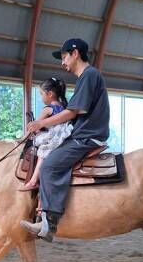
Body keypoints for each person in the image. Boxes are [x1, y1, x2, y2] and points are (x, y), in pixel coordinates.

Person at [20, 38, 110, 242]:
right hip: (83, 133)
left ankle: (48, 222)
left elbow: (72, 112)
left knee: (49, 166)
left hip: (86, 136)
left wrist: (41, 124)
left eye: (64, 57)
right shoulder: (87, 77)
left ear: (75, 53)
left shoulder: (89, 75)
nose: (63, 62)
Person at [18, 77, 71, 191]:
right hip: (64, 137)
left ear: (50, 94)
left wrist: (23, 138)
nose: (41, 97)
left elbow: (34, 127)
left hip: (53, 137)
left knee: (42, 152)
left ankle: (33, 181)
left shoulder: (48, 109)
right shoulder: (64, 108)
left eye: (42, 94)